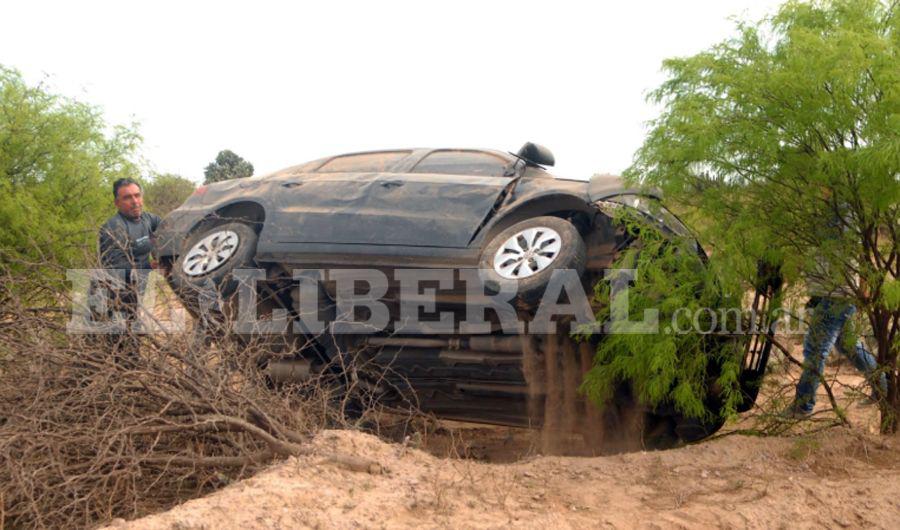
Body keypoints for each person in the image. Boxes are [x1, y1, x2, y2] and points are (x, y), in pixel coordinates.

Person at [94, 178, 161, 361]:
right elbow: (115, 270)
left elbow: (167, 227)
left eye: (137, 195)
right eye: (127, 198)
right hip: (114, 298)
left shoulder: (147, 219)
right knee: (115, 352)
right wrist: (149, 266)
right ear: (117, 202)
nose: (135, 201)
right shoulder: (113, 228)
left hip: (134, 294)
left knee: (131, 346)